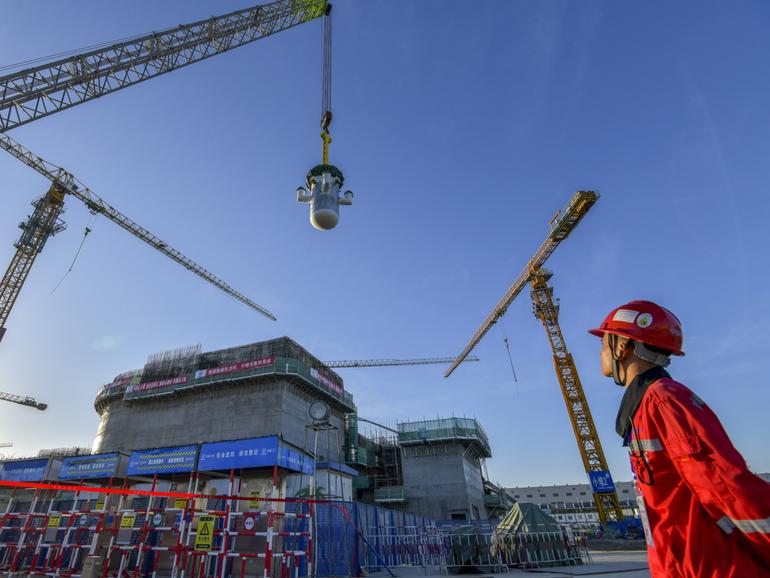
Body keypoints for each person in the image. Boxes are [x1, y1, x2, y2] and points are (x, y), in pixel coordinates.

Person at [589, 300, 770, 578]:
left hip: (712, 568)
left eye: (604, 343)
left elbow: (727, 488)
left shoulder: (664, 400)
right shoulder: (643, 410)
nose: (600, 352)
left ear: (622, 346)